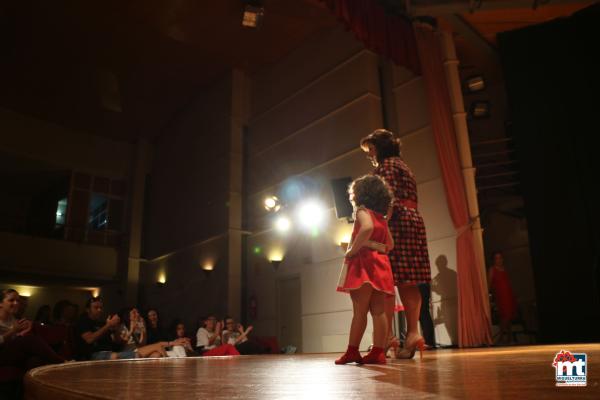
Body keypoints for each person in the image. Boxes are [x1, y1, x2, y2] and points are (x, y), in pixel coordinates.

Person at [360, 129, 431, 359]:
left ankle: (385, 337)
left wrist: (375, 229)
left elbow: (385, 201)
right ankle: (412, 333)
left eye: (371, 148)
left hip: (395, 224)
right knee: (409, 280)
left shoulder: (385, 167)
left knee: (385, 282)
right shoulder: (404, 166)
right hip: (414, 221)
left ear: (380, 147)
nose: (370, 154)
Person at [335, 174, 395, 365]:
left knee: (359, 311)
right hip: (381, 266)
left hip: (364, 264)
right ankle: (378, 352)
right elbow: (390, 245)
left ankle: (352, 351)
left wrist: (352, 249)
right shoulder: (382, 218)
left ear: (360, 194)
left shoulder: (362, 211)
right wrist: (376, 246)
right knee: (379, 311)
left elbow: (366, 228)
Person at [75, 297, 182, 361]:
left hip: (115, 351)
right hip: (101, 354)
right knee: (158, 347)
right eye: (96, 307)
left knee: (156, 353)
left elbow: (141, 344)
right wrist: (111, 326)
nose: (99, 310)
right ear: (87, 309)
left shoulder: (102, 323)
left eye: (101, 307)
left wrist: (143, 329)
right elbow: (90, 339)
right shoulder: (83, 321)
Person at [0, 289, 64, 369]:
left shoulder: (14, 320)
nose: (16, 303)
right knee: (29, 339)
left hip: (13, 354)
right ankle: (61, 362)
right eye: (11, 300)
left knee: (35, 360)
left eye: (18, 301)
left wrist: (23, 331)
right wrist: (14, 331)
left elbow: (16, 339)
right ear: (1, 303)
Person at [488, 251, 518, 345]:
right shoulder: (492, 269)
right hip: (500, 296)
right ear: (493, 260)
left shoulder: (504, 269)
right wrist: (489, 296)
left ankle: (509, 337)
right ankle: (501, 337)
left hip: (508, 294)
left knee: (509, 316)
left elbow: (507, 283)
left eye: (500, 258)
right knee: (505, 316)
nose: (499, 260)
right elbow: (489, 284)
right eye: (496, 258)